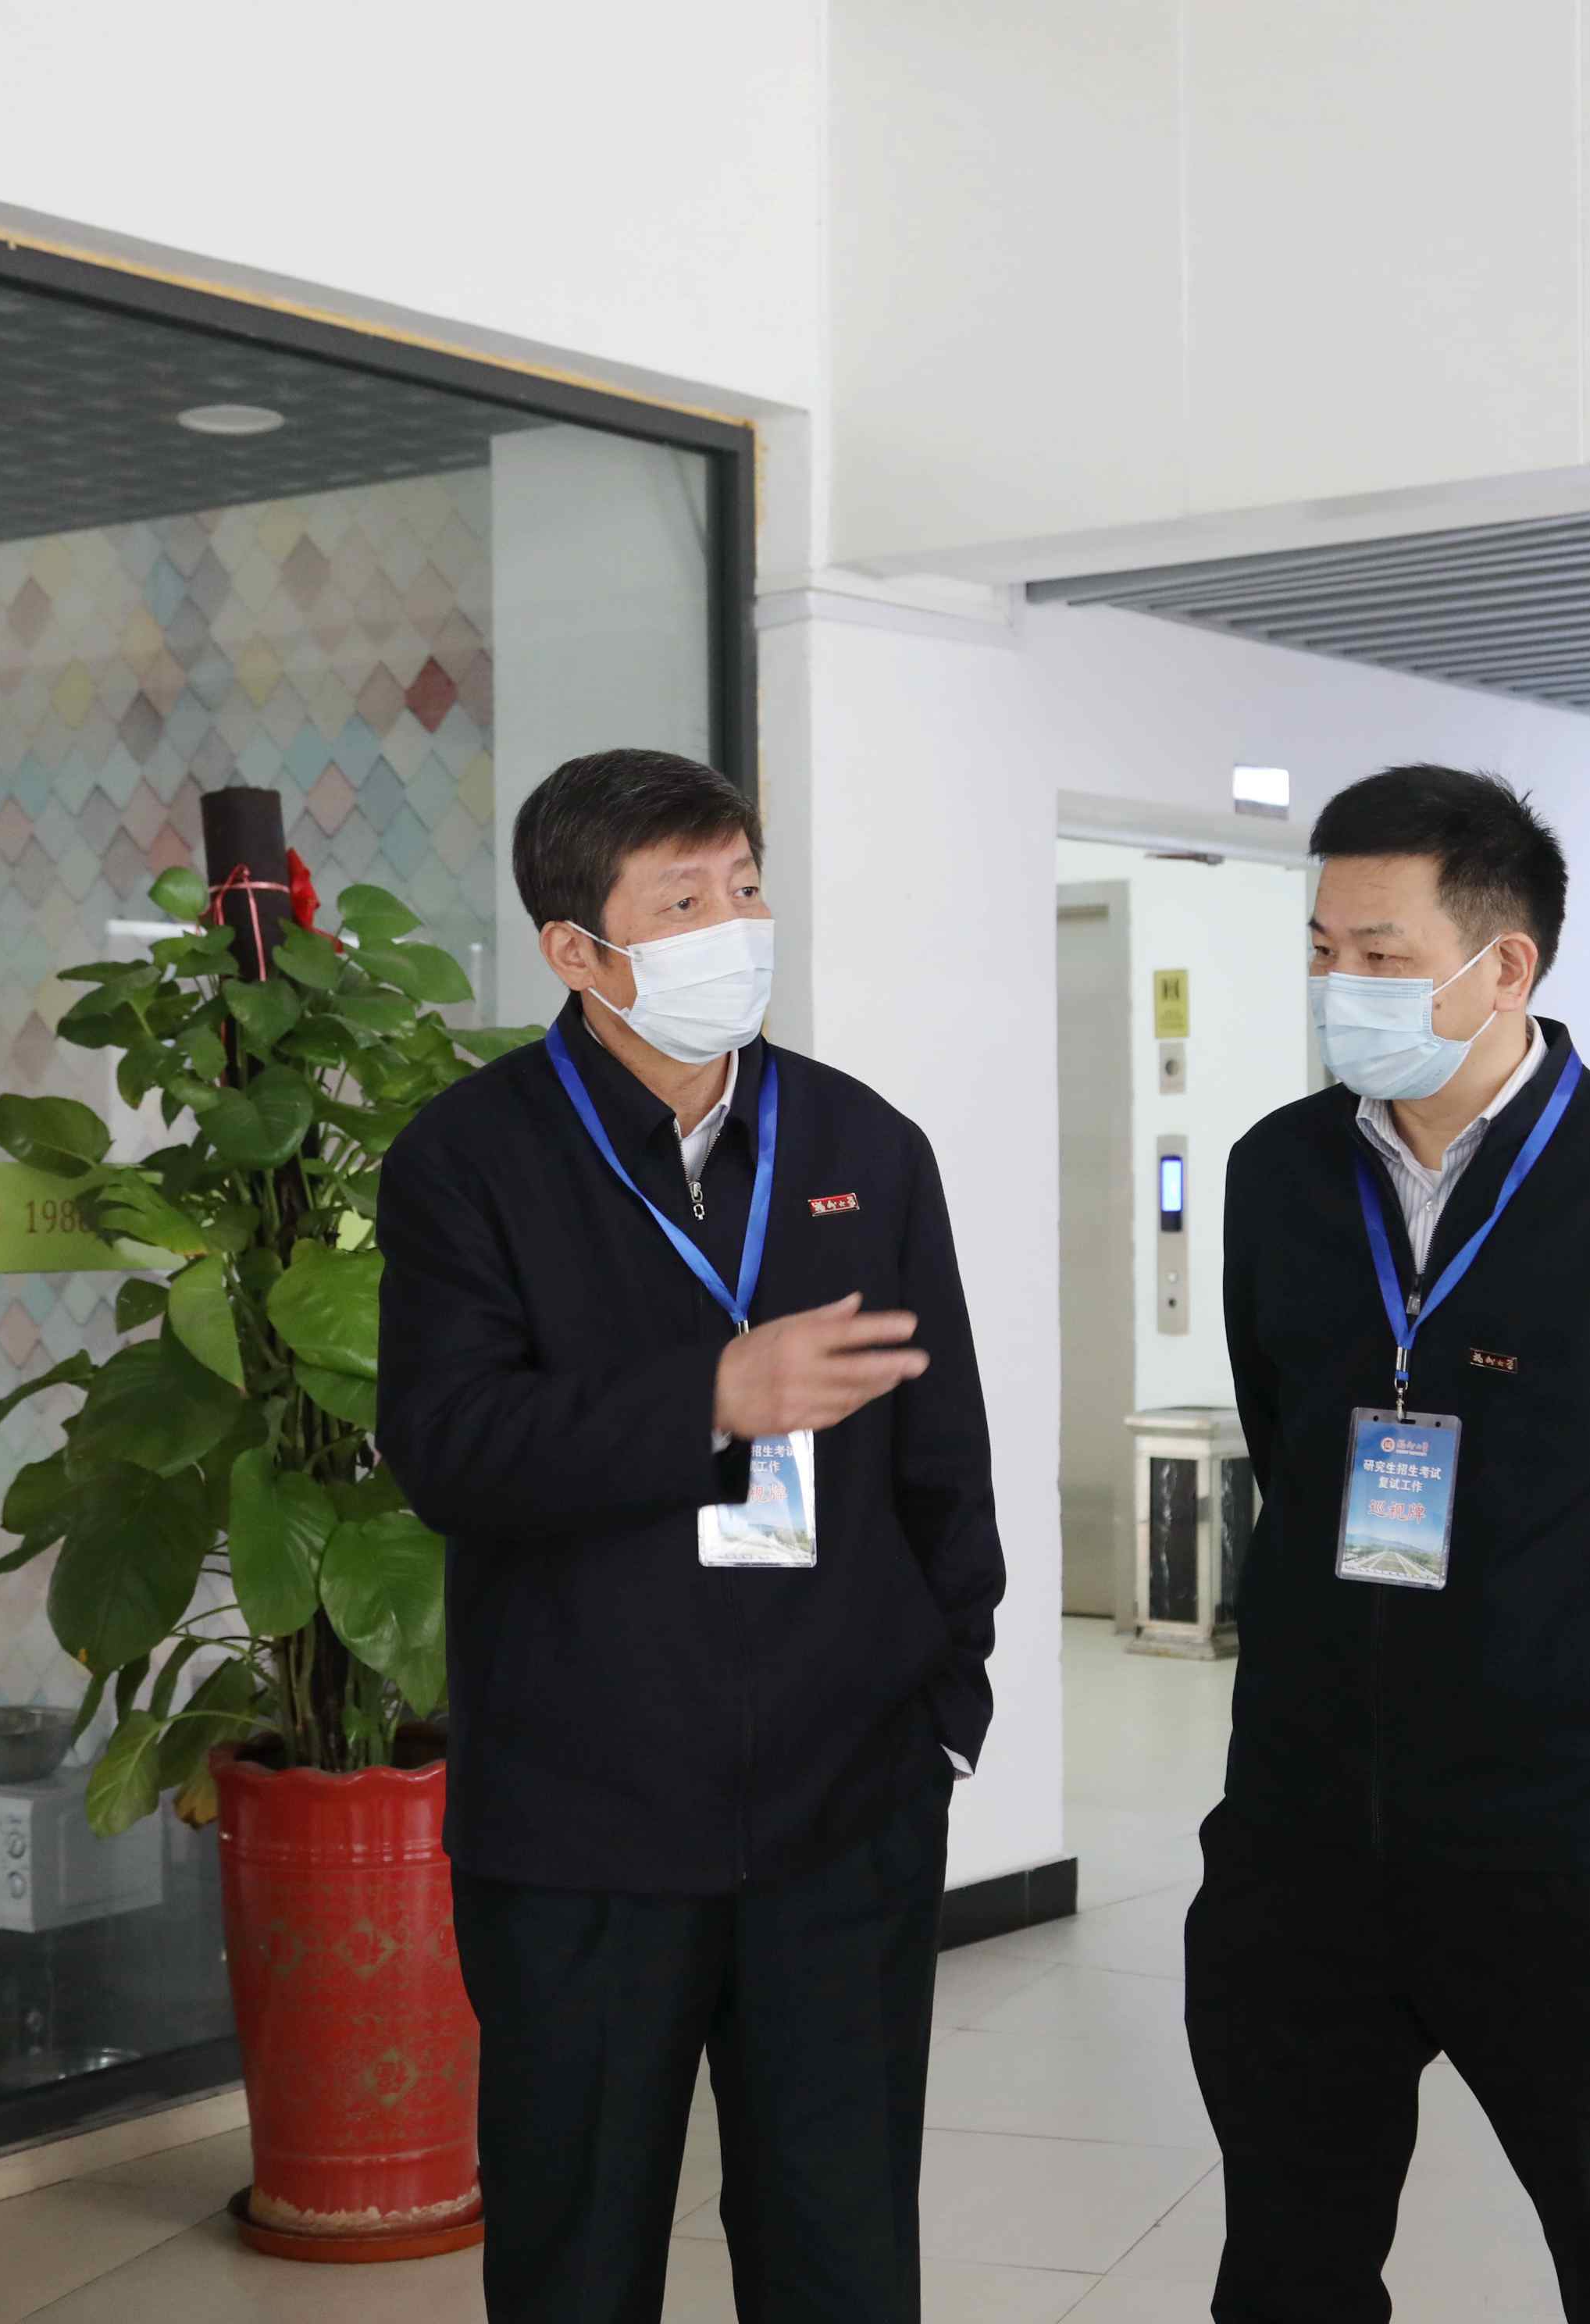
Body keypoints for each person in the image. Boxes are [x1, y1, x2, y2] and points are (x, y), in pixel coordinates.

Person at [373, 748, 1003, 2324]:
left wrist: (943, 1703)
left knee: (842, 2253)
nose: (736, 928)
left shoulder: (864, 1147)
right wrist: (710, 1396)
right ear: (578, 951)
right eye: (684, 903)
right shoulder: (470, 1159)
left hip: (845, 1810)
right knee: (577, 2259)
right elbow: (451, 1449)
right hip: (583, 1828)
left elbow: (945, 1461)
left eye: (746, 888)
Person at [1193, 765, 1590, 2324]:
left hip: (1559, 1841)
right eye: (1323, 949)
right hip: (1305, 1823)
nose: (1340, 986)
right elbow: (1290, 1443)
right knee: (1288, 2264)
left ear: (1506, 966)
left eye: (1381, 955)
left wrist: (1574, 1655)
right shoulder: (1277, 1172)